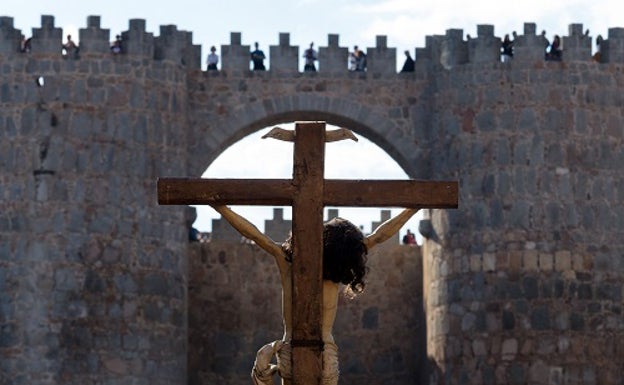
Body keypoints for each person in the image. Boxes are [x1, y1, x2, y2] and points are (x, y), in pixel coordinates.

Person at [210, 204, 419, 385]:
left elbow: (254, 234)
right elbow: (379, 236)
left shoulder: (287, 262)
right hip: (325, 353)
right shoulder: (335, 267)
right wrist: (412, 209)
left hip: (291, 347)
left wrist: (222, 209)